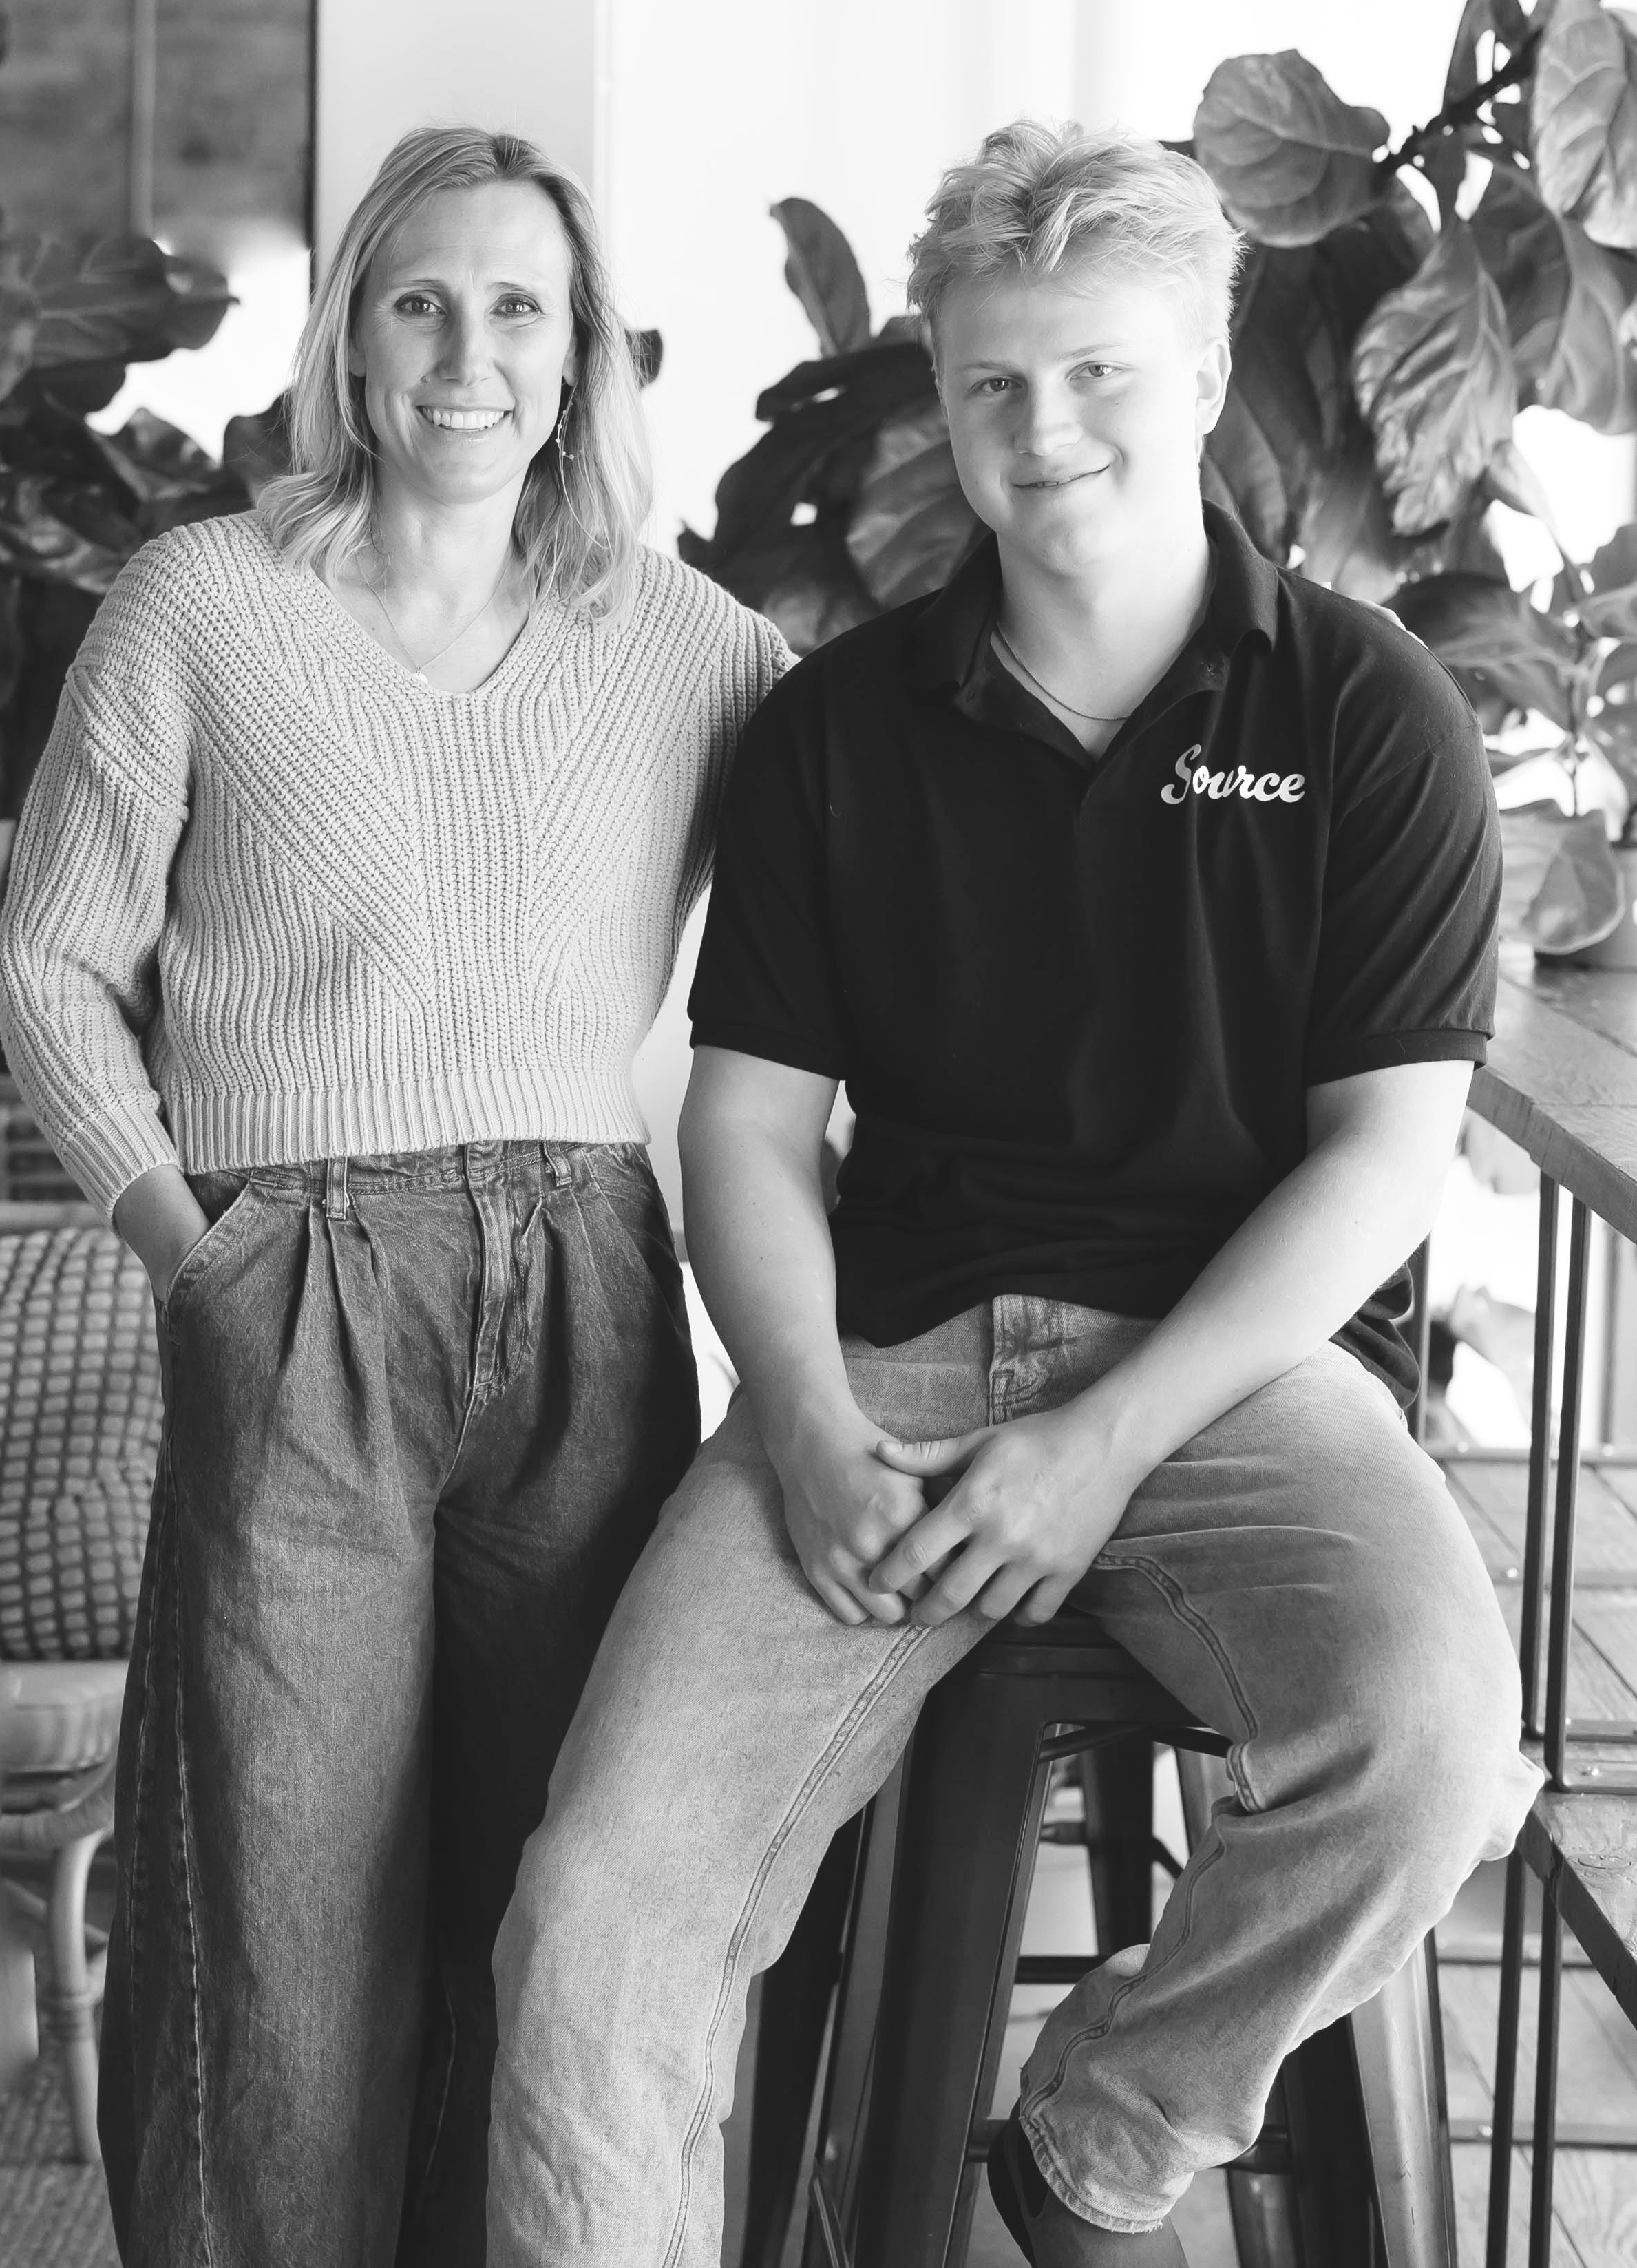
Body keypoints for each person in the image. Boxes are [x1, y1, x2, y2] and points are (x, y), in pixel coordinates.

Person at [485, 121, 1540, 2266]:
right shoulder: (839, 732)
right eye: (992, 381)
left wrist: (1109, 1437)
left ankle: (1096, 2142)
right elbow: (747, 1124)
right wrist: (798, 1415)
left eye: (1096, 373)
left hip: (1233, 1380)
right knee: (594, 1918)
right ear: (945, 395)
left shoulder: (1366, 711)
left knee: (1433, 1758)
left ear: (1202, 375)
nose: (1042, 428)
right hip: (881, 1378)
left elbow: (1382, 1155)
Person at [0, 124, 788, 2268]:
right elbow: (50, 965)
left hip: (589, 1291)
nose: (464, 355)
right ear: (349, 336)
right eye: (418, 302)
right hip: (298, 1286)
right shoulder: (201, 602)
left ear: (585, 352)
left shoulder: (695, 649)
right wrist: (193, 1253)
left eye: (516, 307)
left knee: (556, 1884)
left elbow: (895, 875)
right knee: (280, 1896)